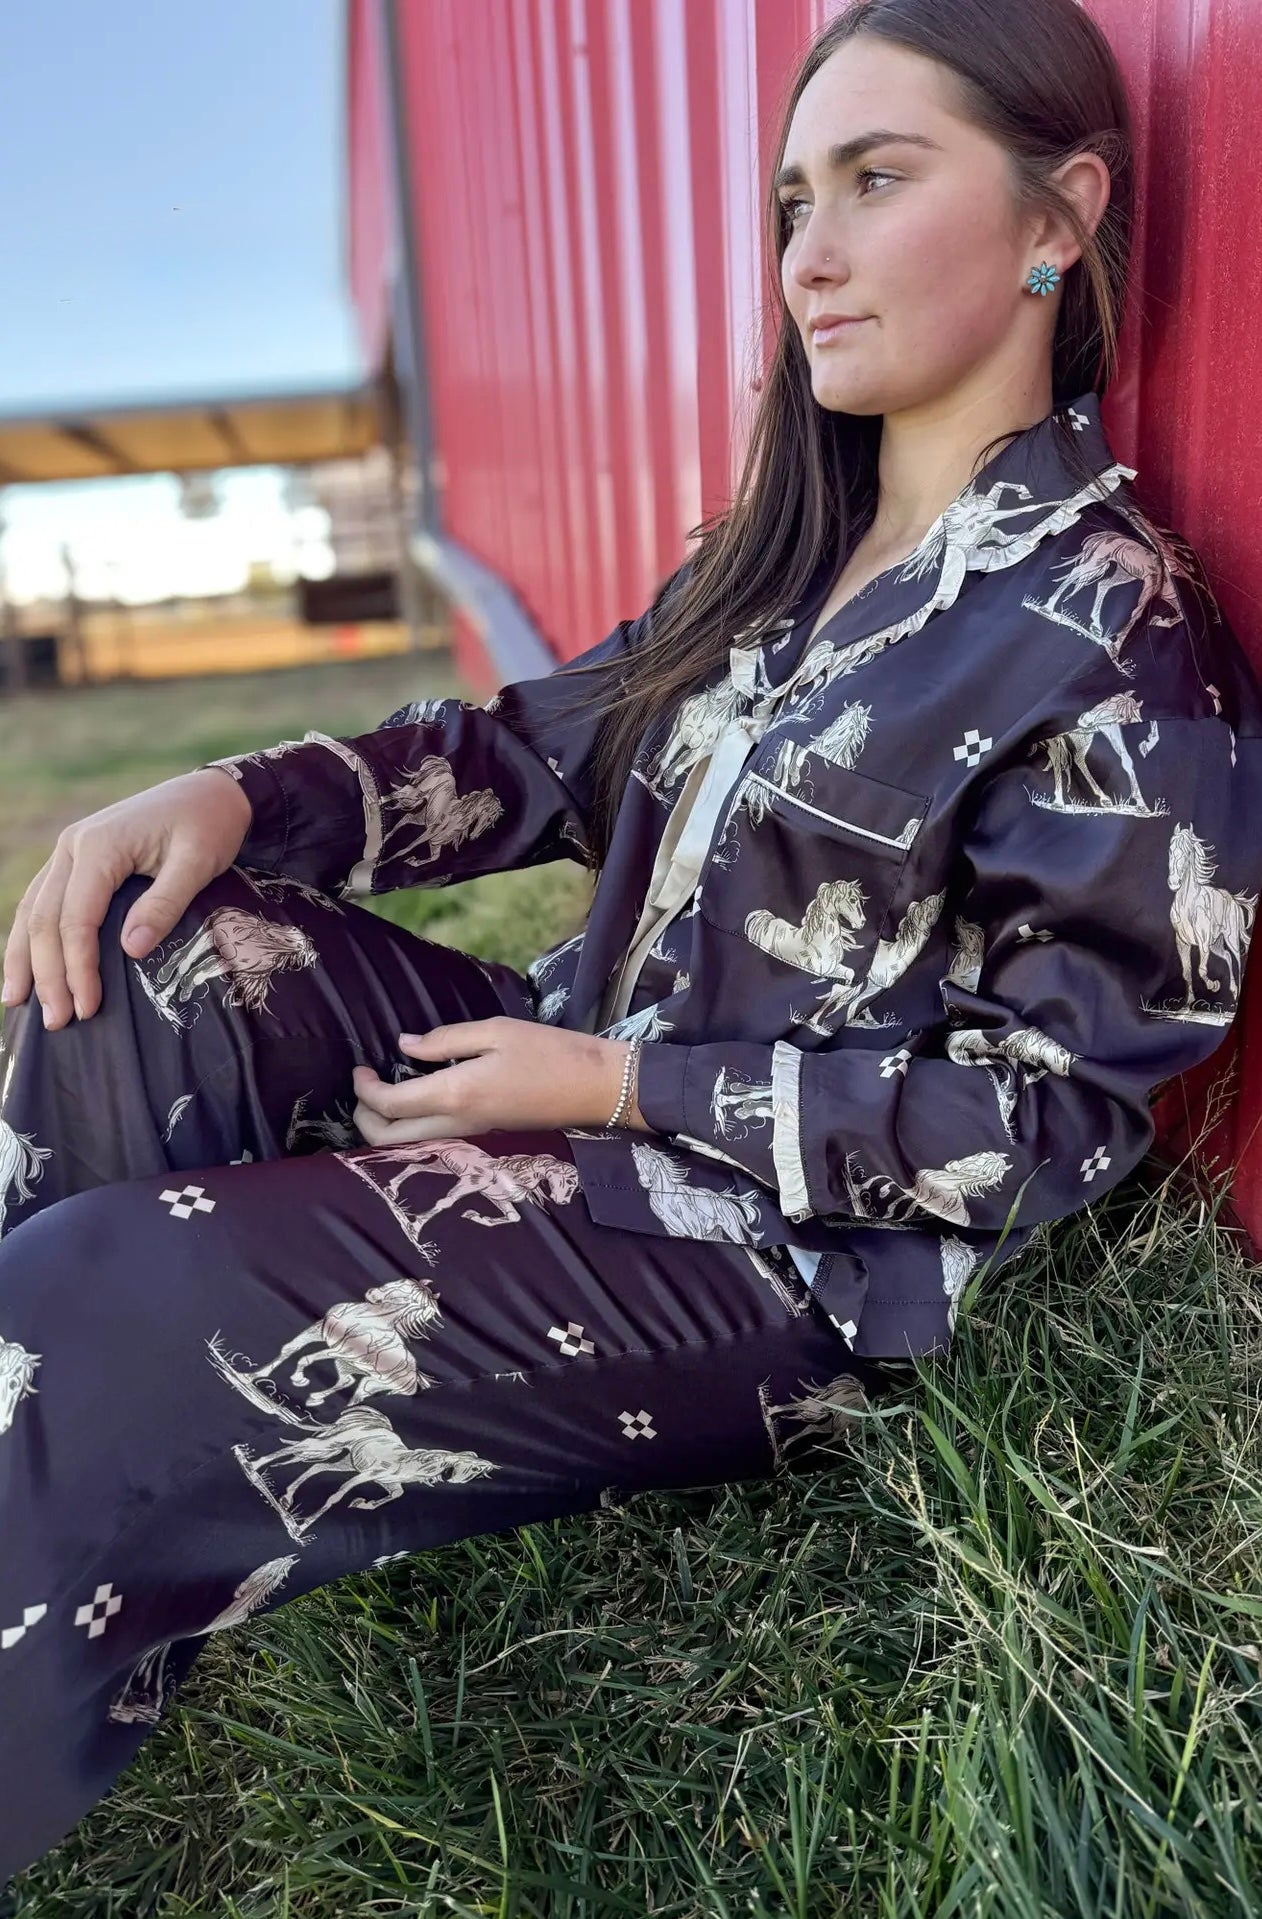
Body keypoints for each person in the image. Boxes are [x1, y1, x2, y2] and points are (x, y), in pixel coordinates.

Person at [3, 0, 1261, 1887]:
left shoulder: (1111, 637)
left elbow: (1057, 1121)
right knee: (147, 953)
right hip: (563, 1060)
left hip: (768, 1246)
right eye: (786, 202)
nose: (805, 256)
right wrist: (240, 800)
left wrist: (620, 1085)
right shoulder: (771, 550)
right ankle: (76, 1516)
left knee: (106, 1303)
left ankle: (94, 1413)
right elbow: (521, 759)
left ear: (1053, 220)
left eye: (873, 181)